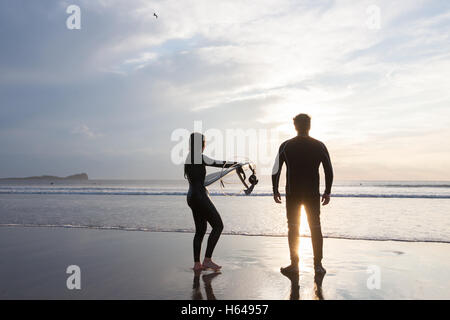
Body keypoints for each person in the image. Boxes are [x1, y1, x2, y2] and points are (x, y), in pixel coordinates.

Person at [272, 113, 333, 275]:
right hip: (312, 193)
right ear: (309, 126)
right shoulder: (319, 145)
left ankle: (294, 265)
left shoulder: (286, 145)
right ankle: (318, 266)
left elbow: (276, 169)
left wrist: (274, 189)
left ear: (295, 126)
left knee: (293, 228)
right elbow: (329, 170)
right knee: (315, 228)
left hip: (293, 194)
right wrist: (327, 191)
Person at [184, 132, 239, 271]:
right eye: (204, 143)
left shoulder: (190, 157)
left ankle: (197, 264)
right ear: (200, 144)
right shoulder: (198, 157)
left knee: (201, 230)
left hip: (192, 196)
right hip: (200, 196)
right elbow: (218, 163)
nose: (204, 145)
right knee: (218, 226)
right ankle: (207, 260)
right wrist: (237, 164)